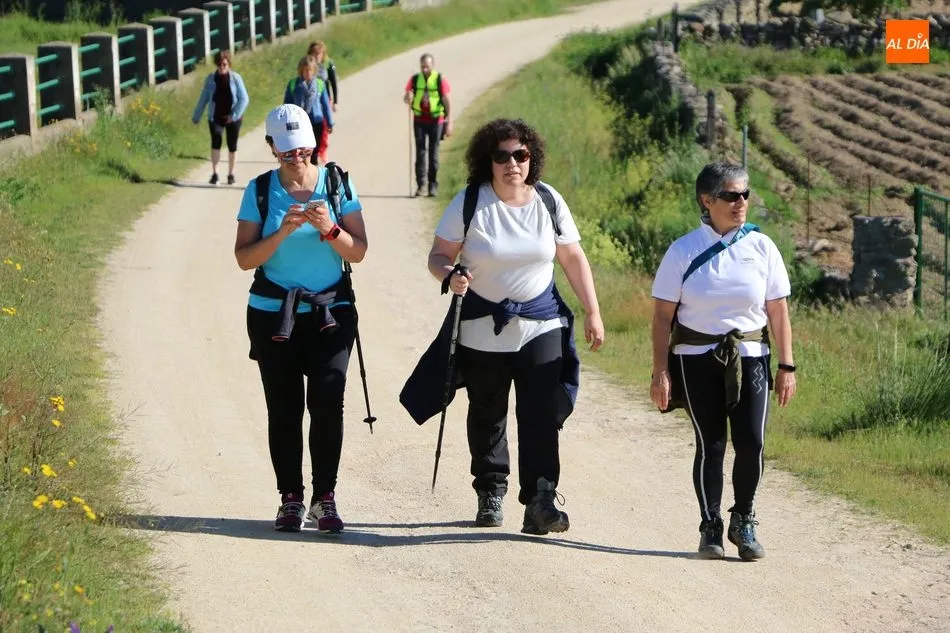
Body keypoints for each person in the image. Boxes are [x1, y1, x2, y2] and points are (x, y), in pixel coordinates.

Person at [401, 118, 605, 536]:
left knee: (542, 414)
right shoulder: (471, 202)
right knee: (488, 413)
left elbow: (572, 258)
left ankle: (541, 500)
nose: (512, 163)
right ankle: (490, 490)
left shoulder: (549, 201)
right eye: (502, 156)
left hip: (541, 323)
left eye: (521, 155)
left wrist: (593, 312)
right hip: (482, 326)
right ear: (487, 162)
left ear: (532, 159)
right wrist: (449, 275)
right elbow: (438, 255)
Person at [649, 162, 797, 561]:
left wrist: (787, 366)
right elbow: (663, 317)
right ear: (707, 200)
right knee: (711, 444)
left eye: (745, 194)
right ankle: (710, 524)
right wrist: (660, 371)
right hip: (695, 358)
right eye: (731, 195)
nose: (741, 202)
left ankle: (743, 520)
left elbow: (778, 311)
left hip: (751, 357)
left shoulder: (762, 247)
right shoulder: (682, 251)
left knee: (752, 442)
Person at [233, 104, 368, 534]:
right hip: (274, 316)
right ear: (272, 148)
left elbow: (359, 251)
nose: (297, 159)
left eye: (303, 150)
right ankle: (290, 498)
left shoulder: (336, 183)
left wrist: (330, 229)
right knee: (285, 408)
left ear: (314, 144)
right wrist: (282, 233)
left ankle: (324, 498)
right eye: (287, 152)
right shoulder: (258, 191)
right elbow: (244, 258)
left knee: (328, 402)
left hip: (331, 313)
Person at [191, 50, 249, 185]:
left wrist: (234, 115)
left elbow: (244, 99)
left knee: (232, 145)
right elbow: (203, 98)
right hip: (215, 116)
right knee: (216, 141)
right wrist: (196, 116)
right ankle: (215, 174)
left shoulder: (235, 78)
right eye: (219, 64)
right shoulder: (211, 79)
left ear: (228, 64)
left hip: (233, 117)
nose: (221, 67)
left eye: (224, 64)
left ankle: (231, 174)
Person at [403, 53, 453, 198]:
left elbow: (446, 100)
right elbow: (407, 97)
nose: (425, 69)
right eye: (423, 66)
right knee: (420, 153)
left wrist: (449, 121)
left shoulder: (439, 79)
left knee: (434, 153)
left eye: (427, 66)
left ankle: (432, 186)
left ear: (432, 65)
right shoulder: (414, 79)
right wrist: (408, 97)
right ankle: (421, 186)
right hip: (419, 119)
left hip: (436, 120)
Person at [284, 55, 334, 166]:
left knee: (314, 151)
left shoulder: (320, 84)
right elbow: (287, 105)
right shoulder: (293, 85)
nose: (307, 73)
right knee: (301, 151)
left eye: (310, 70)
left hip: (316, 121)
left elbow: (325, 105)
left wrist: (330, 122)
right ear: (301, 70)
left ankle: (314, 172)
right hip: (299, 123)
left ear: (314, 70)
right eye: (305, 70)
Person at [307, 41, 339, 164]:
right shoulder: (307, 65)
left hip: (325, 100)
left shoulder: (328, 64)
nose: (316, 56)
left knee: (324, 128)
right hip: (312, 102)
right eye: (313, 53)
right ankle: (313, 152)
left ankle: (322, 150)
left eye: (318, 54)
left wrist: (335, 101)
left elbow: (333, 82)